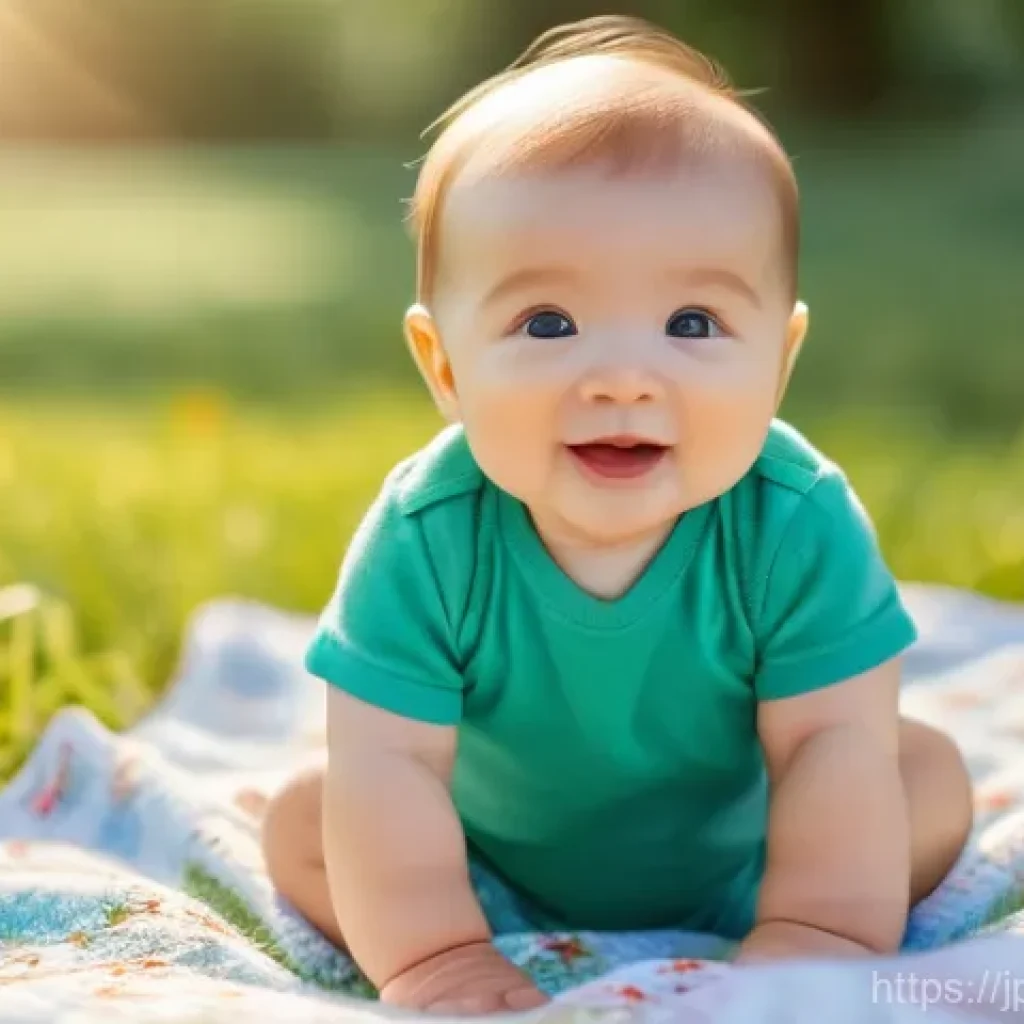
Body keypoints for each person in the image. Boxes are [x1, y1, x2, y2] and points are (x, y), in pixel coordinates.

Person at [261, 16, 973, 1016]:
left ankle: (802, 918)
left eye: (693, 323)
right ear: (446, 367)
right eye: (547, 323)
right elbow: (392, 762)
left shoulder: (795, 520)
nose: (623, 379)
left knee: (923, 774)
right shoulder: (426, 537)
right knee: (308, 818)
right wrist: (433, 953)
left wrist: (812, 932)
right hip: (480, 869)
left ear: (778, 358)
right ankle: (453, 945)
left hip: (770, 851)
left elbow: (827, 747)